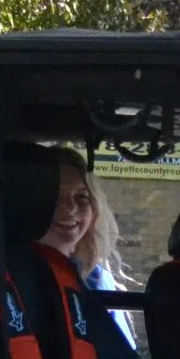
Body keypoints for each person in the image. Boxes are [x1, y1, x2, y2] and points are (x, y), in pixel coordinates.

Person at [31, 144, 137, 339]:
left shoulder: (97, 279)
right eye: (55, 196)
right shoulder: (5, 276)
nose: (71, 208)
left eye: (81, 197)